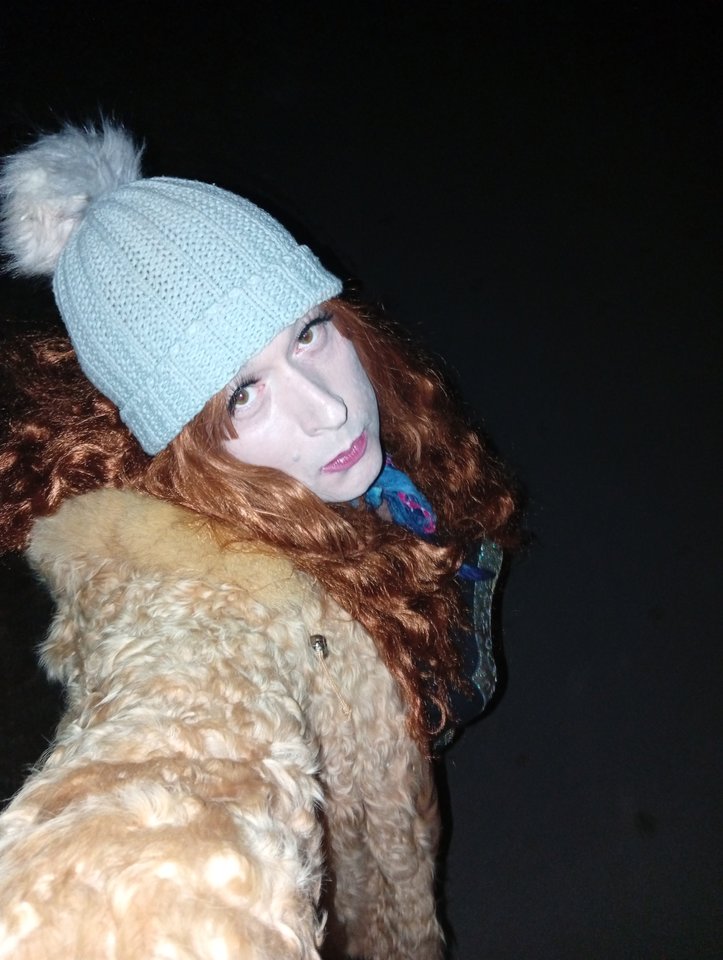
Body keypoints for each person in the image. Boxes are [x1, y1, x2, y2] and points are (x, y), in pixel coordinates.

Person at [0, 122, 517, 959]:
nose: (330, 408)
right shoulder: (202, 592)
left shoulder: (365, 450)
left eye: (308, 331)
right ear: (181, 439)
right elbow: (173, 755)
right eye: (243, 393)